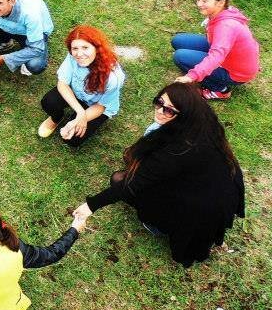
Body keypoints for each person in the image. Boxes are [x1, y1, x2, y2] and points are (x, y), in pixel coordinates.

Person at [74, 83, 245, 267]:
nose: (160, 111)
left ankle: (159, 224)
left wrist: (89, 206)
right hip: (212, 186)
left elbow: (131, 185)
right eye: (159, 102)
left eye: (169, 111)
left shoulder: (177, 151)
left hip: (200, 206)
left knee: (119, 179)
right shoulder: (200, 117)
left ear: (183, 114)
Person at [170, 0, 259, 100]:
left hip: (234, 72)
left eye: (204, 0)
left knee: (179, 57)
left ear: (220, 2)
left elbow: (216, 55)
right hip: (229, 55)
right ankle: (204, 64)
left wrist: (192, 76)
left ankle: (220, 90)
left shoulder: (226, 26)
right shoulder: (225, 11)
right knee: (177, 41)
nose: (199, 4)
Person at [38, 25, 125, 147]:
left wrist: (76, 122)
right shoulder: (73, 56)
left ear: (96, 48)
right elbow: (62, 84)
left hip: (96, 105)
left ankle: (73, 119)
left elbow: (101, 106)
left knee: (73, 139)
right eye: (75, 48)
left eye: (85, 47)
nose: (79, 54)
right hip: (77, 93)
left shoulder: (114, 77)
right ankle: (57, 118)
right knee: (48, 102)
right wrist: (80, 112)